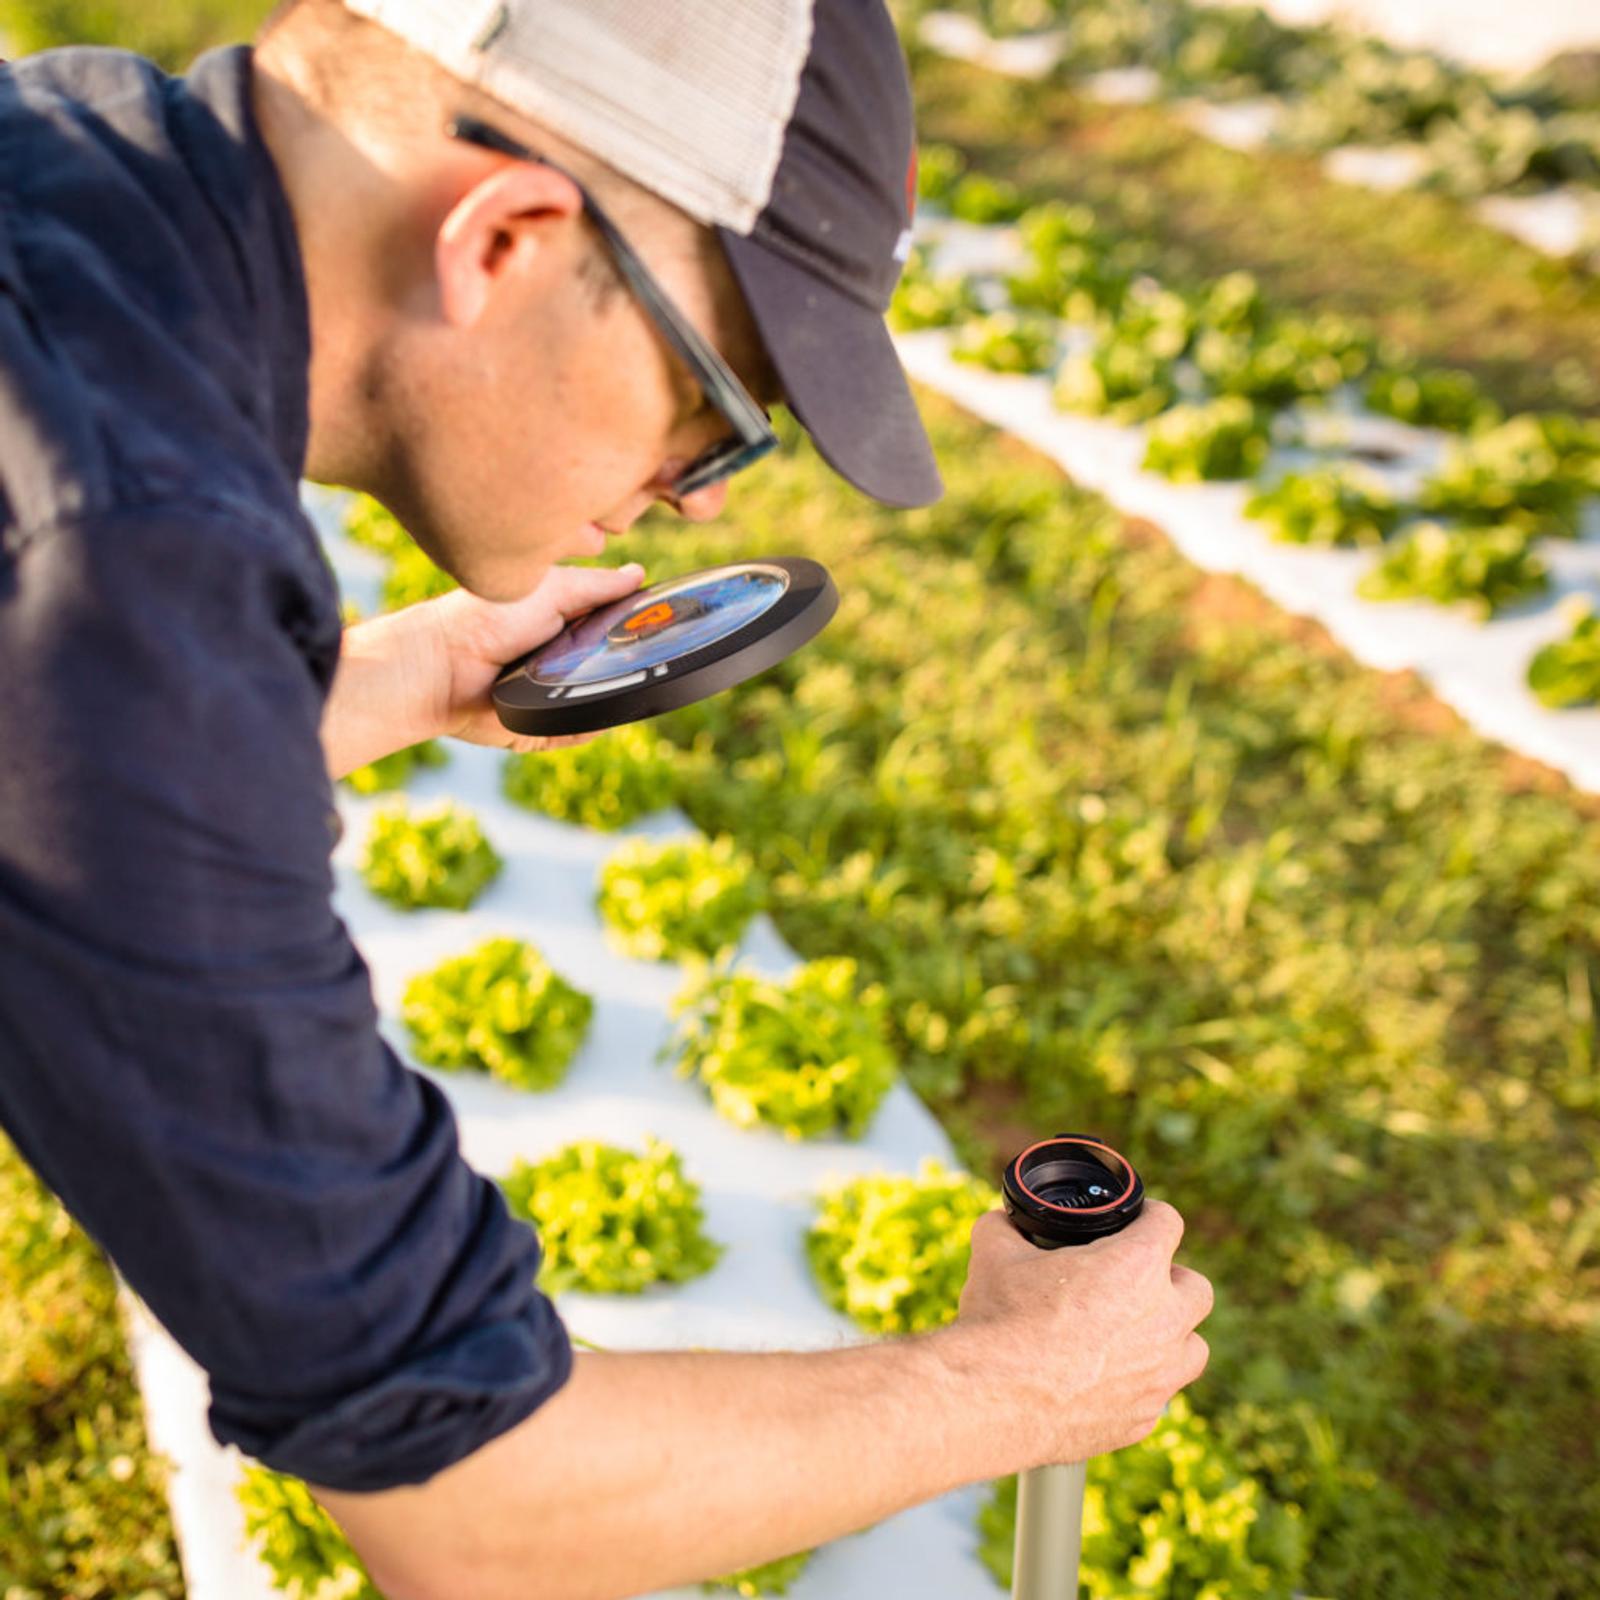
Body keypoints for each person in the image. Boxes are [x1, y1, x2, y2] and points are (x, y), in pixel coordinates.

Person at [0, 1, 1213, 1596]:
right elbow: (471, 1500)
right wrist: (1027, 1382)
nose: (699, 489)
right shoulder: (122, 573)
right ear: (502, 238)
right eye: (720, 404)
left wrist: (354, 689)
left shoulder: (71, 167)